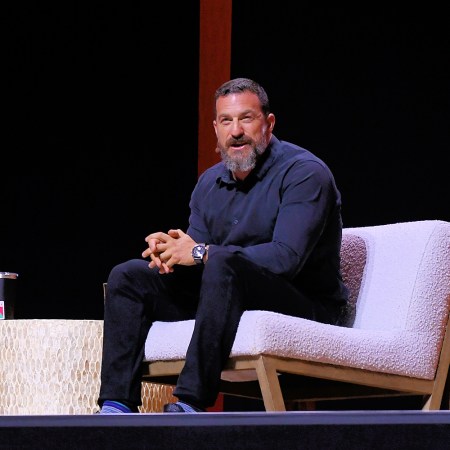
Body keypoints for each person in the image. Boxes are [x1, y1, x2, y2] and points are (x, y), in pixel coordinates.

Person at [97, 77, 349, 414]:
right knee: (128, 276)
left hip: (305, 304)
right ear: (216, 129)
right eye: (226, 121)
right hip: (228, 295)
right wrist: (172, 252)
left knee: (221, 263)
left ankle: (189, 404)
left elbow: (286, 259)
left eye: (246, 118)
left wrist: (201, 253)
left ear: (268, 124)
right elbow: (197, 257)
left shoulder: (304, 173)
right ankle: (116, 406)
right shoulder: (209, 183)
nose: (236, 131)